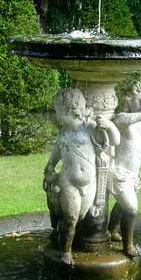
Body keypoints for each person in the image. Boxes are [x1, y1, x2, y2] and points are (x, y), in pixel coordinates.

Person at [43, 87, 120, 265]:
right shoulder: (63, 134)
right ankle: (66, 250)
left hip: (90, 183)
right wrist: (49, 170)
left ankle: (59, 234)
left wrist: (109, 125)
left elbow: (115, 141)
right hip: (68, 181)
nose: (57, 116)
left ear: (71, 110)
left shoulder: (90, 128)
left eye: (58, 111)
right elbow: (54, 158)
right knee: (70, 217)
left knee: (79, 217)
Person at [108, 81, 141, 257]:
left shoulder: (139, 121)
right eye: (139, 101)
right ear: (129, 101)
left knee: (122, 205)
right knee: (131, 209)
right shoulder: (125, 118)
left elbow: (131, 144)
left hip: (133, 174)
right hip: (119, 172)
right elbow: (120, 121)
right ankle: (128, 245)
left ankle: (111, 230)